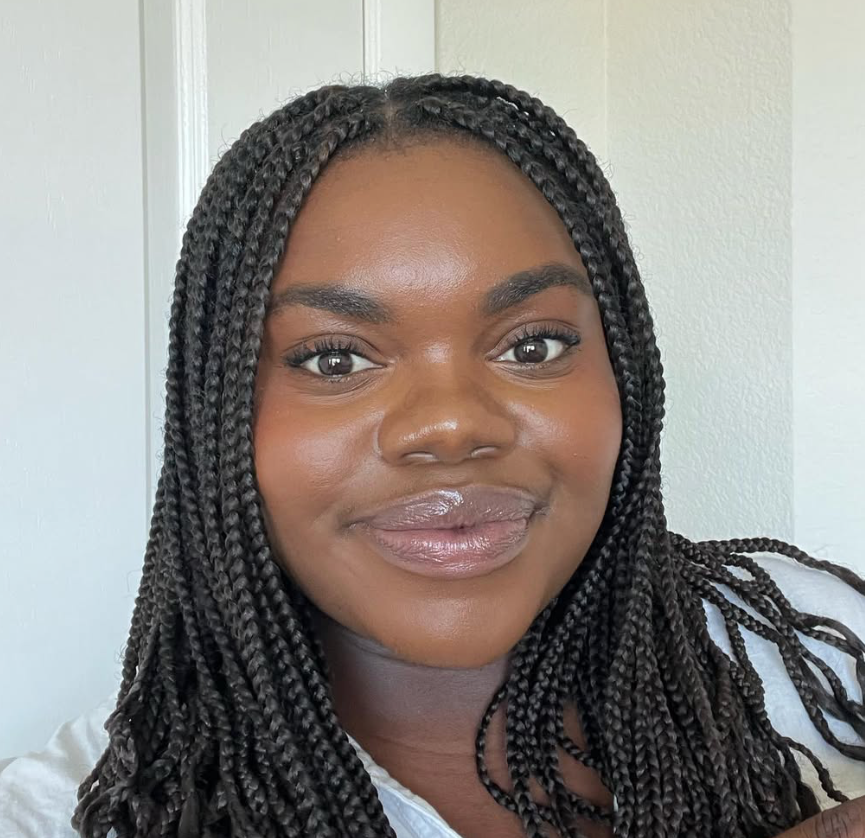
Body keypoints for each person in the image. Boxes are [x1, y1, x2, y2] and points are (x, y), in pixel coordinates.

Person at [1, 73, 863, 838]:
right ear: (216, 417)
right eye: (333, 359)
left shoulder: (810, 646)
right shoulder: (72, 812)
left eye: (533, 346)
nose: (450, 428)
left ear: (627, 373)